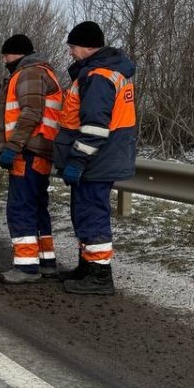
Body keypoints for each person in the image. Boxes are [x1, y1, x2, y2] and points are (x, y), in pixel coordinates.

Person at [53, 22, 137, 295]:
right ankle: (87, 267)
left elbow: (94, 127)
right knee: (84, 213)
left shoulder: (98, 77)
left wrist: (77, 159)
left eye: (73, 47)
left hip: (97, 159)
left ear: (88, 48)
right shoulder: (106, 72)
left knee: (92, 214)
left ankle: (100, 277)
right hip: (103, 157)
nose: (71, 53)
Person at [0, 34, 64, 284]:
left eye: (6, 55)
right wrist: (1, 95)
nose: (4, 60)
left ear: (18, 54)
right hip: (39, 150)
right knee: (36, 207)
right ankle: (46, 262)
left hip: (28, 150)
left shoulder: (30, 73)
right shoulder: (35, 73)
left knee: (20, 207)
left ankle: (26, 267)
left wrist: (13, 145)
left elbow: (31, 112)